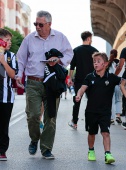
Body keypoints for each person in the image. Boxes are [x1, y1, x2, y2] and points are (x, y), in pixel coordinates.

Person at [16, 10, 73, 159]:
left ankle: (46, 148)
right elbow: (21, 58)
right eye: (36, 24)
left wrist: (58, 60)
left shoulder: (60, 37)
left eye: (41, 24)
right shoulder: (29, 39)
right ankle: (34, 139)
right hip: (33, 82)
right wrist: (19, 74)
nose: (38, 27)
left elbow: (69, 53)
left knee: (50, 117)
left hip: (52, 83)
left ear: (49, 24)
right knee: (33, 115)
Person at [75, 52, 121, 164]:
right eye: (94, 62)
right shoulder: (90, 77)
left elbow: (124, 82)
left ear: (105, 64)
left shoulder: (111, 78)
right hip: (91, 111)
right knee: (92, 133)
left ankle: (108, 154)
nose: (95, 64)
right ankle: (91, 151)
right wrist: (79, 95)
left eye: (98, 61)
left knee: (105, 132)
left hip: (105, 112)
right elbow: (82, 88)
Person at [68, 31, 98, 129]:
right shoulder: (95, 51)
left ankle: (75, 122)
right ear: (89, 38)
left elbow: (72, 67)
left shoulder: (76, 50)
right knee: (92, 102)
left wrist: (69, 78)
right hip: (92, 80)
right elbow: (98, 67)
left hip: (79, 80)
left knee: (77, 101)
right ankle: (92, 123)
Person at [0, 28, 18, 161]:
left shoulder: (11, 56)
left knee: (3, 125)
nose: (10, 42)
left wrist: (3, 61)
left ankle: (2, 151)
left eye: (10, 40)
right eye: (7, 40)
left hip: (7, 97)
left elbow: (12, 74)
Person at [108, 49, 124, 125]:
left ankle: (111, 118)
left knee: (110, 100)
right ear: (117, 55)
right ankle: (118, 116)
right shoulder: (121, 62)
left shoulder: (109, 63)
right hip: (119, 82)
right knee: (119, 99)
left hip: (110, 83)